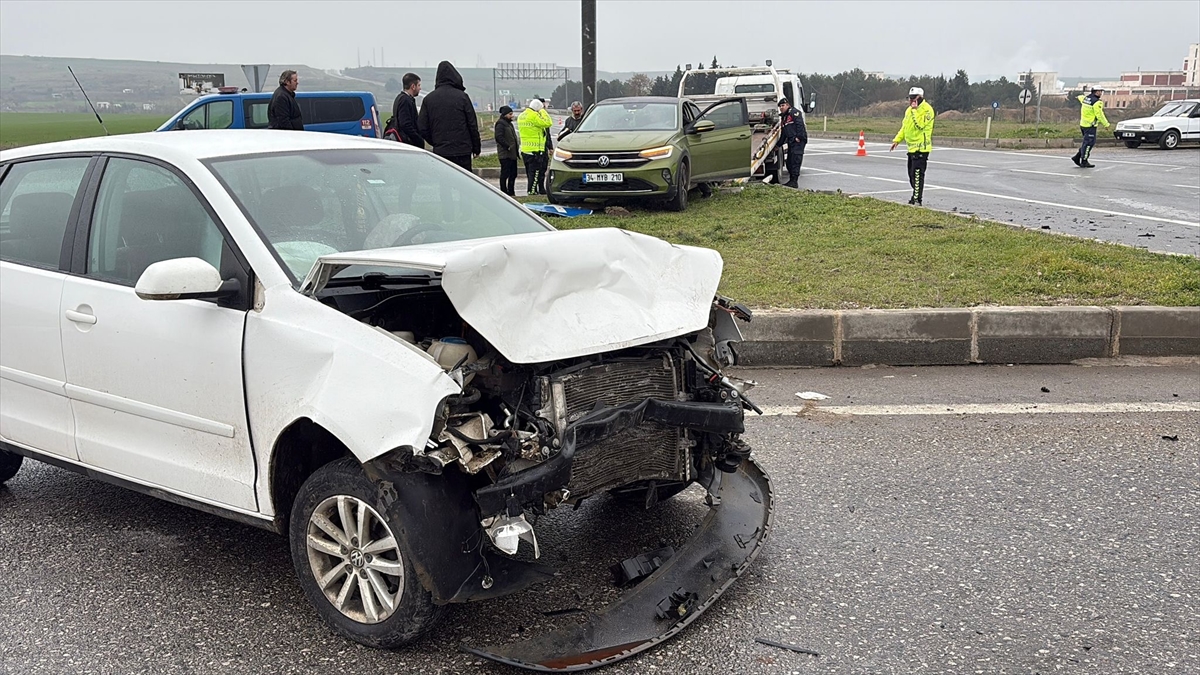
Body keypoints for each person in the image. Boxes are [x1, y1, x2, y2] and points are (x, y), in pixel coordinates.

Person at [416, 61, 481, 172]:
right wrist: (476, 147)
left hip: (442, 151)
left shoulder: (429, 99)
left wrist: (436, 141)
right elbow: (472, 124)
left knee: (445, 184)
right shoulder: (463, 97)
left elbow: (422, 127)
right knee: (464, 183)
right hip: (463, 150)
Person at [890, 86, 935, 206]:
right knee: (911, 175)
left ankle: (917, 198)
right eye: (909, 98)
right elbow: (905, 127)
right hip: (911, 148)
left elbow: (920, 124)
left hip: (921, 148)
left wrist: (915, 110)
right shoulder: (908, 110)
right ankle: (916, 194)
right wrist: (897, 140)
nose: (910, 101)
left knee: (917, 174)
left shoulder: (927, 110)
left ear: (920, 98)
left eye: (913, 98)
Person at [517, 98, 553, 195]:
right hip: (535, 150)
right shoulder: (534, 116)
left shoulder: (522, 116)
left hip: (525, 149)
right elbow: (548, 122)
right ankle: (532, 191)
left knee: (529, 173)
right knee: (535, 173)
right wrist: (542, 111)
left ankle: (533, 190)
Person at [1071, 87, 1111, 168]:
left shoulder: (1086, 99)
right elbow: (1099, 115)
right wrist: (1106, 124)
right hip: (1090, 126)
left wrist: (1077, 97)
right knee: (1089, 144)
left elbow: (1081, 98)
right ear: (1095, 92)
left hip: (1083, 125)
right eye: (1099, 91)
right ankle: (1084, 161)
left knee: (1086, 143)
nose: (1101, 93)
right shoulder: (1097, 102)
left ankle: (1077, 157)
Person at [778, 98, 807, 188]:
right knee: (789, 163)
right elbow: (784, 133)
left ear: (788, 105)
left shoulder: (794, 113)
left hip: (797, 141)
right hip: (791, 141)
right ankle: (791, 180)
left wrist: (799, 137)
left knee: (795, 162)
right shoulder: (784, 116)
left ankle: (794, 182)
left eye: (783, 106)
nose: (781, 108)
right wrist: (778, 145)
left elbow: (800, 125)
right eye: (780, 106)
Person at [390, 72, 424, 148]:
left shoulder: (400, 98)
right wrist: (418, 139)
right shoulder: (405, 100)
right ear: (413, 86)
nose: (420, 88)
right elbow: (405, 124)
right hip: (407, 142)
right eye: (419, 85)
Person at [494, 106, 519, 196]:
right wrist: (507, 146)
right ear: (505, 115)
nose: (512, 116)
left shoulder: (509, 124)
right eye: (510, 114)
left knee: (513, 173)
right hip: (505, 154)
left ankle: (511, 191)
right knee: (505, 174)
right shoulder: (500, 124)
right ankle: (504, 191)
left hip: (512, 154)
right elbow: (498, 137)